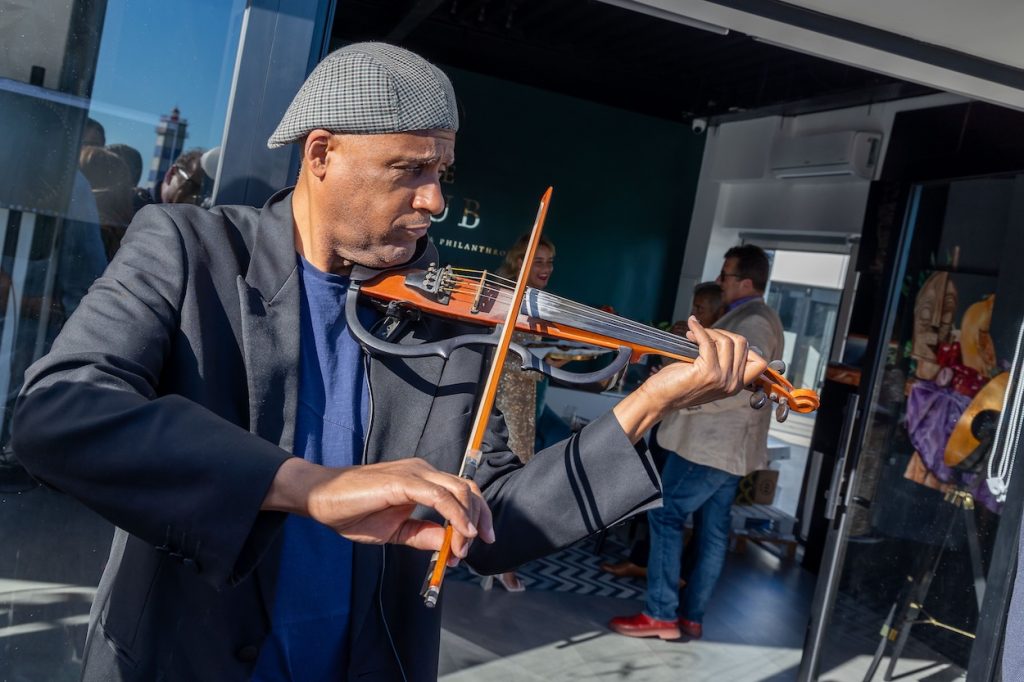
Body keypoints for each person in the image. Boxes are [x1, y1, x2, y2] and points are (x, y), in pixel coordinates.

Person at [12, 43, 765, 681]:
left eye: (442, 171)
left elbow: (496, 520)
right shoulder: (188, 250)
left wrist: (648, 403)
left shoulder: (437, 313)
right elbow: (58, 412)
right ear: (322, 154)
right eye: (409, 169)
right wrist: (309, 487)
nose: (435, 200)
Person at [609, 245, 784, 641]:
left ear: (745, 282)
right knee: (713, 533)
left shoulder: (754, 321)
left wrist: (684, 403)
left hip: (709, 446)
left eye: (726, 275)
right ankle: (691, 616)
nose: (720, 282)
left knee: (664, 514)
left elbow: (739, 383)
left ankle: (661, 614)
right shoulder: (753, 316)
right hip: (727, 450)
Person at [600, 282, 726, 581]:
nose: (694, 313)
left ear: (717, 312)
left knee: (667, 510)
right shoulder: (695, 334)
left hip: (689, 440)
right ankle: (646, 563)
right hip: (669, 428)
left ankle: (662, 580)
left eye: (700, 308)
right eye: (694, 306)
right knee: (658, 499)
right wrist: (674, 343)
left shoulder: (717, 346)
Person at [491, 232, 560, 592]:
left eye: (550, 261)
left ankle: (499, 556)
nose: (547, 268)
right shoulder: (508, 294)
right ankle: (498, 560)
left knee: (517, 474)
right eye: (539, 261)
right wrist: (551, 358)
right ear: (521, 262)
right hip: (505, 401)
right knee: (508, 476)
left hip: (525, 400)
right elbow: (501, 352)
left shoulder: (536, 299)